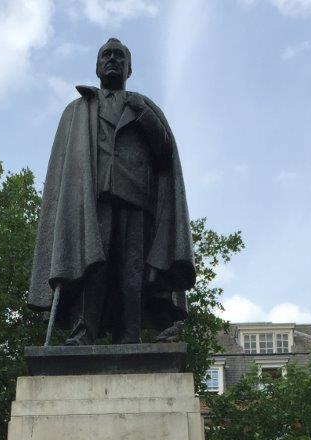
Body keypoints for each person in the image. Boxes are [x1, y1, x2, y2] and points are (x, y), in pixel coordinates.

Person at [28, 38, 195, 346]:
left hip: (136, 200)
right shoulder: (78, 110)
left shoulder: (144, 105)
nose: (113, 60)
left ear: (129, 68)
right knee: (92, 266)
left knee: (131, 272)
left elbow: (164, 153)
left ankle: (129, 336)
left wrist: (143, 114)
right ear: (97, 66)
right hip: (92, 201)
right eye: (107, 55)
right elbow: (66, 168)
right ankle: (83, 333)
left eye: (120, 56)